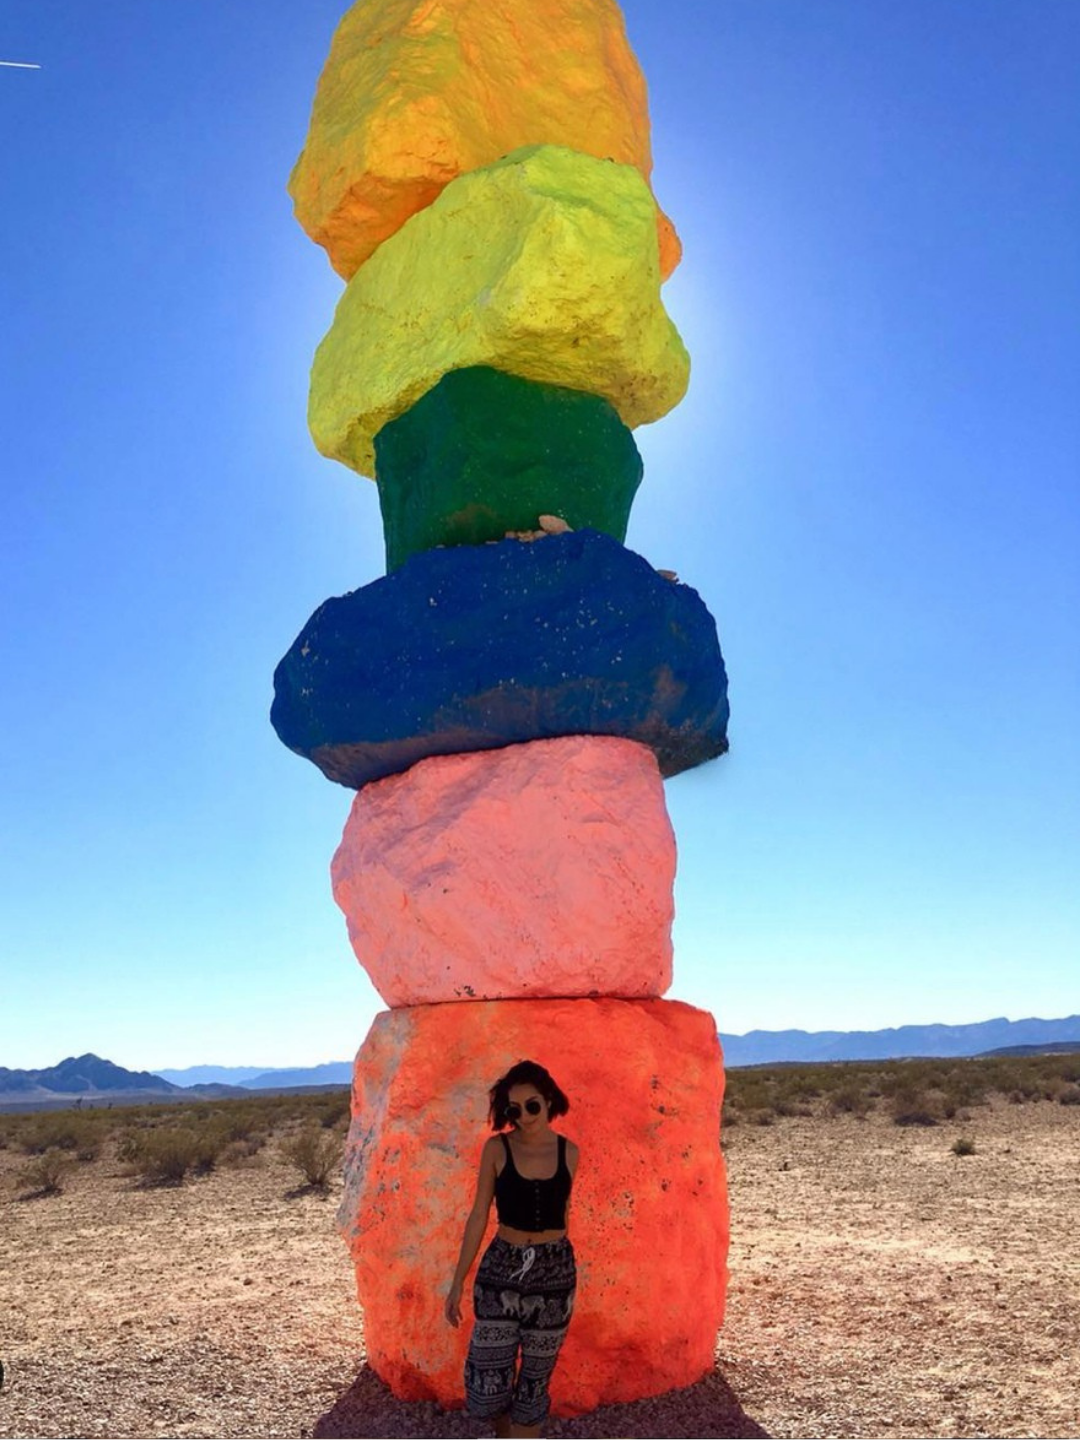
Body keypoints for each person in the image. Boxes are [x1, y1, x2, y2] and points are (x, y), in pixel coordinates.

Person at [445, 1059, 579, 1439]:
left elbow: (563, 1215)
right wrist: (457, 1283)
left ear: (549, 1100)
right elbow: (477, 1217)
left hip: (555, 1274)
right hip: (501, 1267)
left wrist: (553, 1259)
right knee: (491, 1373)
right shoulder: (496, 1149)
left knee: (537, 1375)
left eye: (532, 1105)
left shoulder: (570, 1152)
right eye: (514, 1110)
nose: (524, 1116)